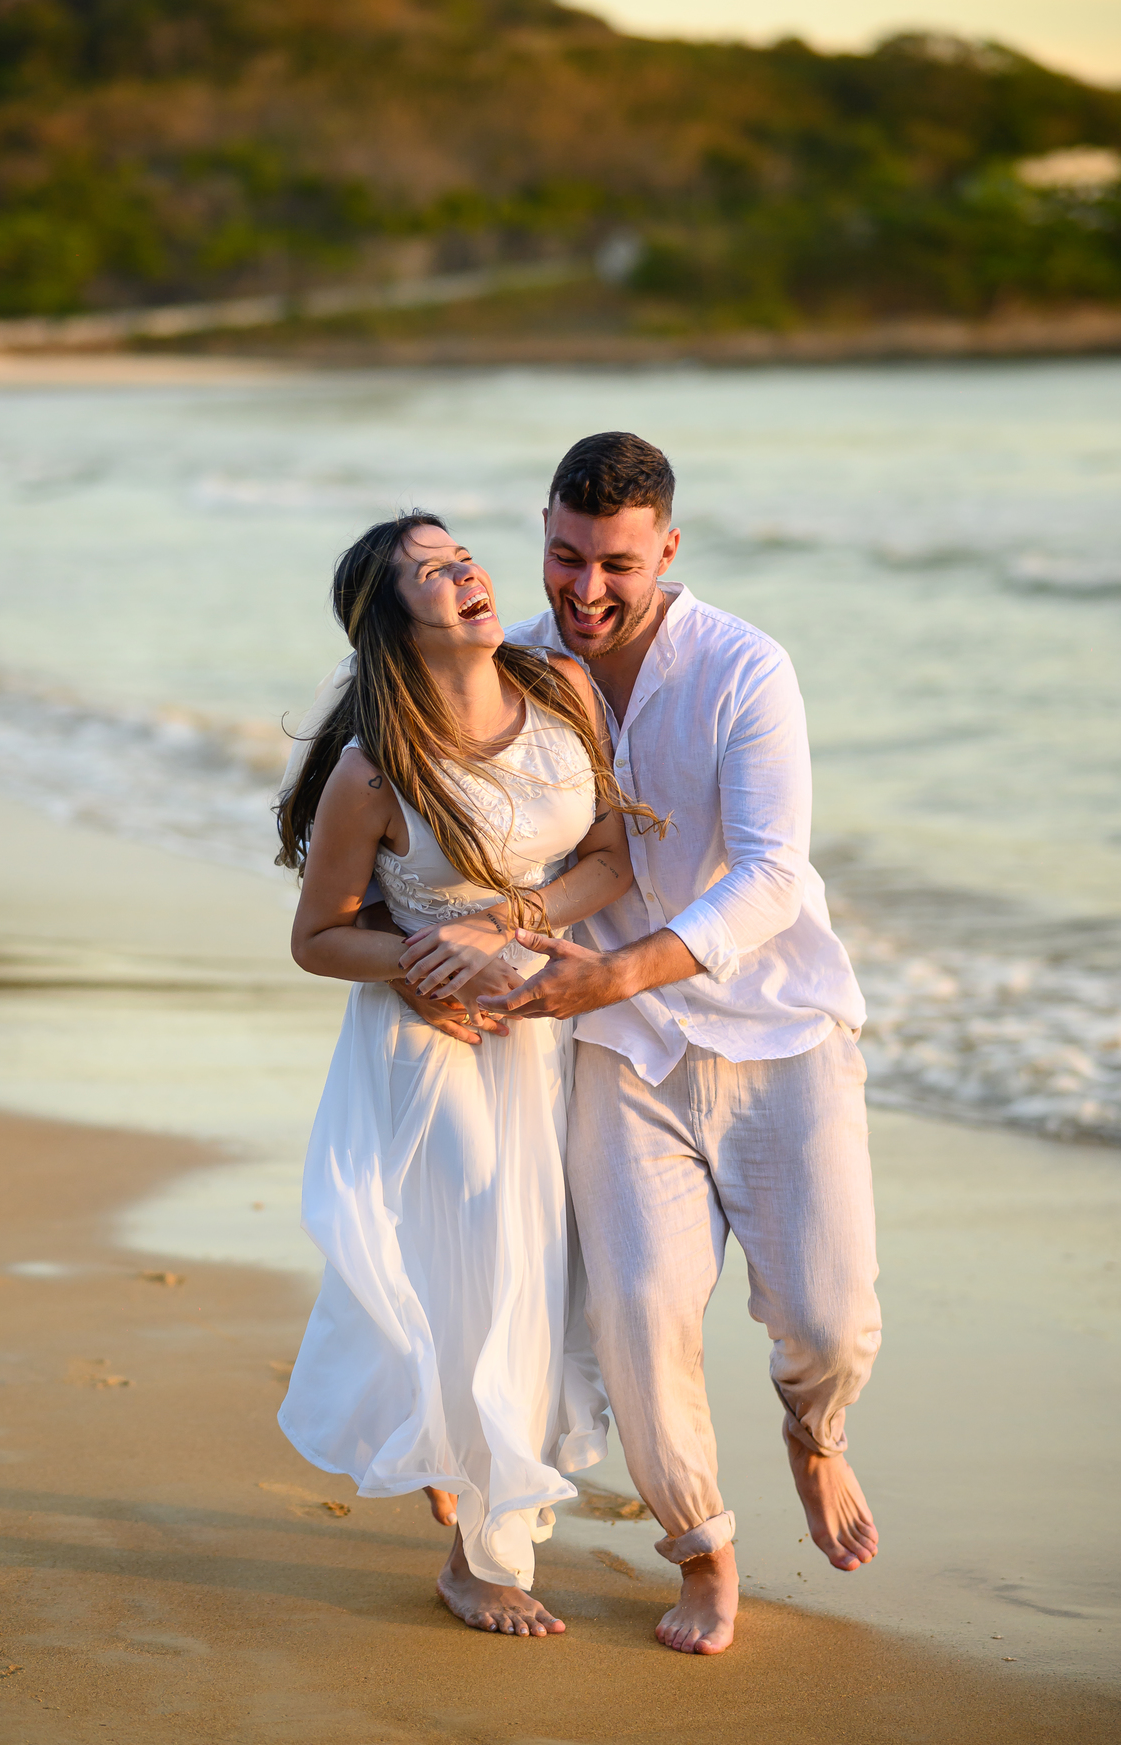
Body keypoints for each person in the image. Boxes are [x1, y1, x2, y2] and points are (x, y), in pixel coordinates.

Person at [474, 431, 883, 1656]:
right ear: (542, 535)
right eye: (562, 558)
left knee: (832, 1321)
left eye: (614, 565)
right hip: (620, 1049)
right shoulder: (522, 670)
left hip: (777, 1035)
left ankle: (815, 1437)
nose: (584, 591)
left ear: (668, 549)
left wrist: (617, 963)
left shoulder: (747, 668)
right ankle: (704, 1548)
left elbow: (769, 876)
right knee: (645, 1315)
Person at [274, 509, 664, 1638]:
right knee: (487, 1256)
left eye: (464, 557)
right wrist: (416, 961)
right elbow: (316, 937)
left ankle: (466, 1462)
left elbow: (608, 859)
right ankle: (478, 1556)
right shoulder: (375, 771)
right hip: (433, 1040)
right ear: (397, 623)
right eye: (433, 573)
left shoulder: (562, 693)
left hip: (543, 1022)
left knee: (542, 1268)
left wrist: (511, 919)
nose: (467, 576)